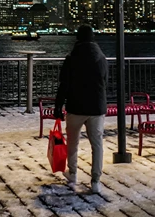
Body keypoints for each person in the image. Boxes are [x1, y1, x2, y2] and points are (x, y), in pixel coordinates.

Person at [53, 24, 107, 194]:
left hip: (76, 105)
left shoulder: (71, 58)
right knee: (97, 144)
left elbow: (64, 85)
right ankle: (96, 180)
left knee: (73, 142)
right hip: (97, 107)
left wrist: (58, 106)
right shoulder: (102, 58)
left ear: (77, 38)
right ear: (93, 38)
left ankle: (73, 173)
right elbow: (105, 81)